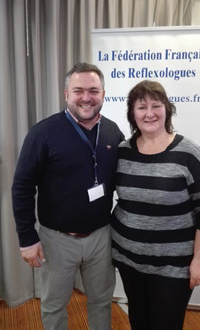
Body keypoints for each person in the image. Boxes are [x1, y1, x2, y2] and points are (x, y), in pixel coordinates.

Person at [12, 62, 124, 330]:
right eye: (78, 90)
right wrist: (27, 239)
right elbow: (22, 187)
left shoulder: (113, 131)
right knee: (54, 305)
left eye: (93, 90)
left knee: (101, 301)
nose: (86, 97)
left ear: (103, 94)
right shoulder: (43, 133)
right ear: (66, 95)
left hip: (101, 236)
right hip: (57, 239)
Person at [111, 80, 200, 330]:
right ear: (132, 114)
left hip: (173, 266)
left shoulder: (189, 153)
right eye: (141, 107)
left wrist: (198, 260)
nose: (149, 113)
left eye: (156, 105)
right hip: (129, 260)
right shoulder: (122, 151)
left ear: (167, 109)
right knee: (139, 320)